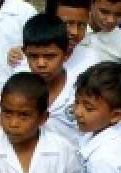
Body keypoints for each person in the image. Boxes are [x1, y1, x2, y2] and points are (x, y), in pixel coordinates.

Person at [21, 13, 80, 147]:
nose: (41, 63)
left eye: (50, 56)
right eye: (34, 56)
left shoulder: (80, 88)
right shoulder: (19, 86)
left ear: (66, 54)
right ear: (24, 52)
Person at [46, 0, 103, 76]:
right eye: (67, 24)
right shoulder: (26, 61)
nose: (75, 32)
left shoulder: (92, 61)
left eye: (81, 25)